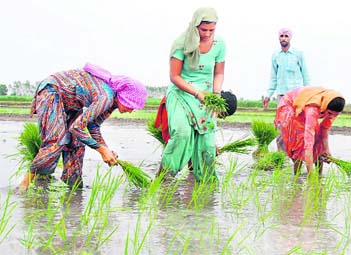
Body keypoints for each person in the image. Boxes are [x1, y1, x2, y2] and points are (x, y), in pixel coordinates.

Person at [19, 63, 148, 190]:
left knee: (77, 144)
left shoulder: (112, 102)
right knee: (56, 140)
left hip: (72, 103)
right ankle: (24, 185)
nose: (131, 111)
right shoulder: (106, 97)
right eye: (131, 105)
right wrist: (101, 150)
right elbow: (76, 128)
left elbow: (94, 125)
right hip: (52, 91)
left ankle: (74, 187)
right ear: (123, 97)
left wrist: (105, 148)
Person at [157, 7, 226, 182]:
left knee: (208, 145)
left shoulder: (220, 44)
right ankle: (163, 177)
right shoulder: (182, 42)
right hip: (182, 93)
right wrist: (196, 93)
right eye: (203, 30)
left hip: (206, 97)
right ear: (195, 25)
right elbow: (174, 76)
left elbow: (218, 73)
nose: (207, 34)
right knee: (182, 134)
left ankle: (205, 187)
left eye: (212, 30)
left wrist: (216, 95)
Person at [274, 86, 345, 175]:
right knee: (299, 141)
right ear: (325, 107)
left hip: (305, 105)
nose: (331, 117)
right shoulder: (312, 109)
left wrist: (327, 151)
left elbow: (324, 129)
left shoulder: (332, 110)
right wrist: (310, 174)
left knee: (318, 141)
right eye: (329, 113)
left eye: (336, 115)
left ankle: (319, 175)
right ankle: (297, 175)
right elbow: (308, 143)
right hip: (290, 105)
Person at [263, 28, 310, 109]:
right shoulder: (276, 55)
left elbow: (305, 74)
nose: (284, 38)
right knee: (282, 119)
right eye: (281, 36)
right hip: (281, 95)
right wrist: (268, 95)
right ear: (279, 38)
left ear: (290, 38)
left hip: (296, 94)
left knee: (296, 119)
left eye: (286, 36)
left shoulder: (298, 54)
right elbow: (273, 77)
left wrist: (308, 93)